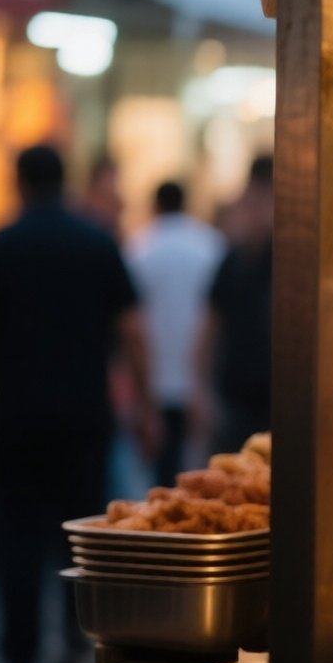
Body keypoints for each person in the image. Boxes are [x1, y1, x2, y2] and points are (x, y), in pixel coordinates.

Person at [0, 145, 156, 663]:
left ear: (18, 184)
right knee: (82, 535)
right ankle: (75, 638)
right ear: (65, 181)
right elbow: (133, 332)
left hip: (15, 417)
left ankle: (18, 654)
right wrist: (145, 405)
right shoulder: (97, 243)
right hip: (83, 416)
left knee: (17, 536)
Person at [125, 181, 225, 487]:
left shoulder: (138, 248)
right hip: (201, 377)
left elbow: (132, 322)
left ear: (155, 206)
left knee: (160, 474)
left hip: (155, 376)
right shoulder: (212, 245)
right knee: (203, 472)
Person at [202, 156, 272, 453]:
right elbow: (206, 332)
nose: (255, 212)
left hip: (282, 407)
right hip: (235, 406)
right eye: (251, 202)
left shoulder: (297, 265)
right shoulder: (232, 262)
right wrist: (201, 394)